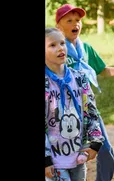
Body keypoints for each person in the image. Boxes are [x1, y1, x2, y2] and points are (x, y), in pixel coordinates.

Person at [55, 3, 114, 181]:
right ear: (58, 25)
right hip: (63, 113)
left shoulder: (86, 49)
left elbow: (102, 70)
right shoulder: (55, 50)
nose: (76, 24)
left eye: (78, 20)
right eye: (70, 20)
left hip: (88, 110)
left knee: (106, 153)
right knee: (67, 159)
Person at [45, 27, 104, 181]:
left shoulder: (80, 78)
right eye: (52, 45)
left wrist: (95, 141)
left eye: (62, 43)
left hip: (78, 155)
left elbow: (91, 111)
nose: (60, 48)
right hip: (53, 160)